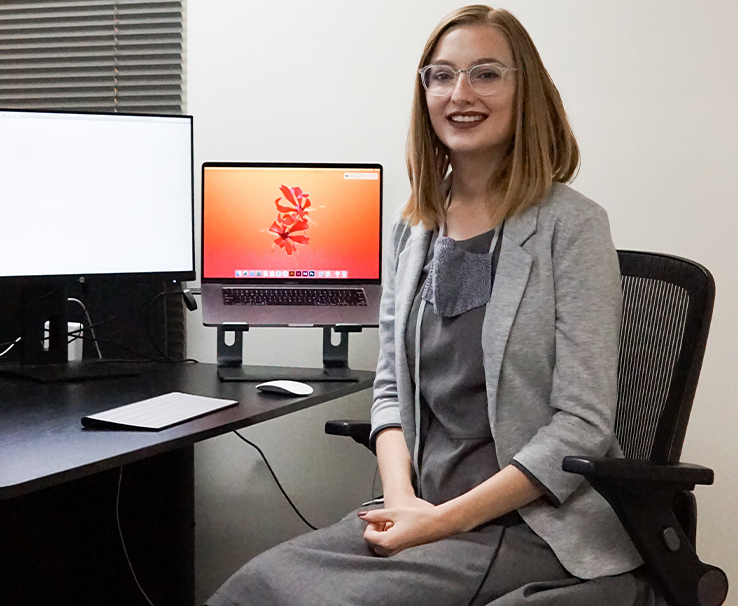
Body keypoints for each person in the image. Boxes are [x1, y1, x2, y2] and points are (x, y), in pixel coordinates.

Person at [206, 5, 656, 605]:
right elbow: (390, 390)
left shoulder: (570, 226)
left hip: (523, 522)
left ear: (528, 91)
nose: (460, 93)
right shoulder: (414, 228)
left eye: (486, 73)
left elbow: (582, 427)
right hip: (419, 510)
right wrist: (402, 504)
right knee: (252, 586)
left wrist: (443, 523)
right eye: (441, 76)